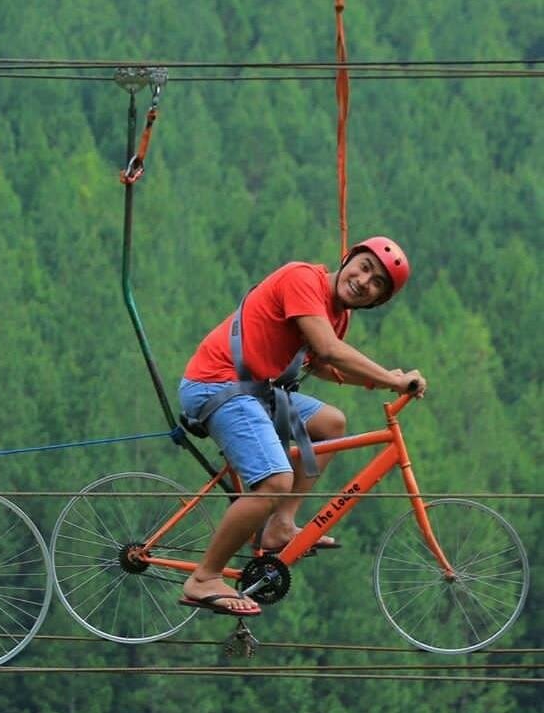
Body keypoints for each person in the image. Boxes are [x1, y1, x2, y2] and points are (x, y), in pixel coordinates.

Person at [177, 236, 426, 617]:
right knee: (274, 481)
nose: (364, 281)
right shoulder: (303, 279)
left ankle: (280, 525)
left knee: (330, 424)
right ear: (347, 259)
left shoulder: (338, 314)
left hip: (255, 391)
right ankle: (204, 578)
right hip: (218, 385)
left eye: (377, 284)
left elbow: (323, 364)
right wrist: (393, 381)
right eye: (364, 267)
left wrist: (381, 378)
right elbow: (328, 350)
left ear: (377, 301)